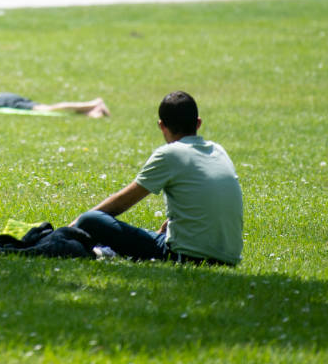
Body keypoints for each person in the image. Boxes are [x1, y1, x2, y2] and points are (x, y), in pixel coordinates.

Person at [70, 90, 242, 266]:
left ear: (161, 126)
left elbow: (121, 203)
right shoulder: (218, 150)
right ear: (198, 123)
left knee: (91, 221)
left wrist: (74, 225)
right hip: (229, 258)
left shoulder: (170, 154)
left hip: (185, 256)